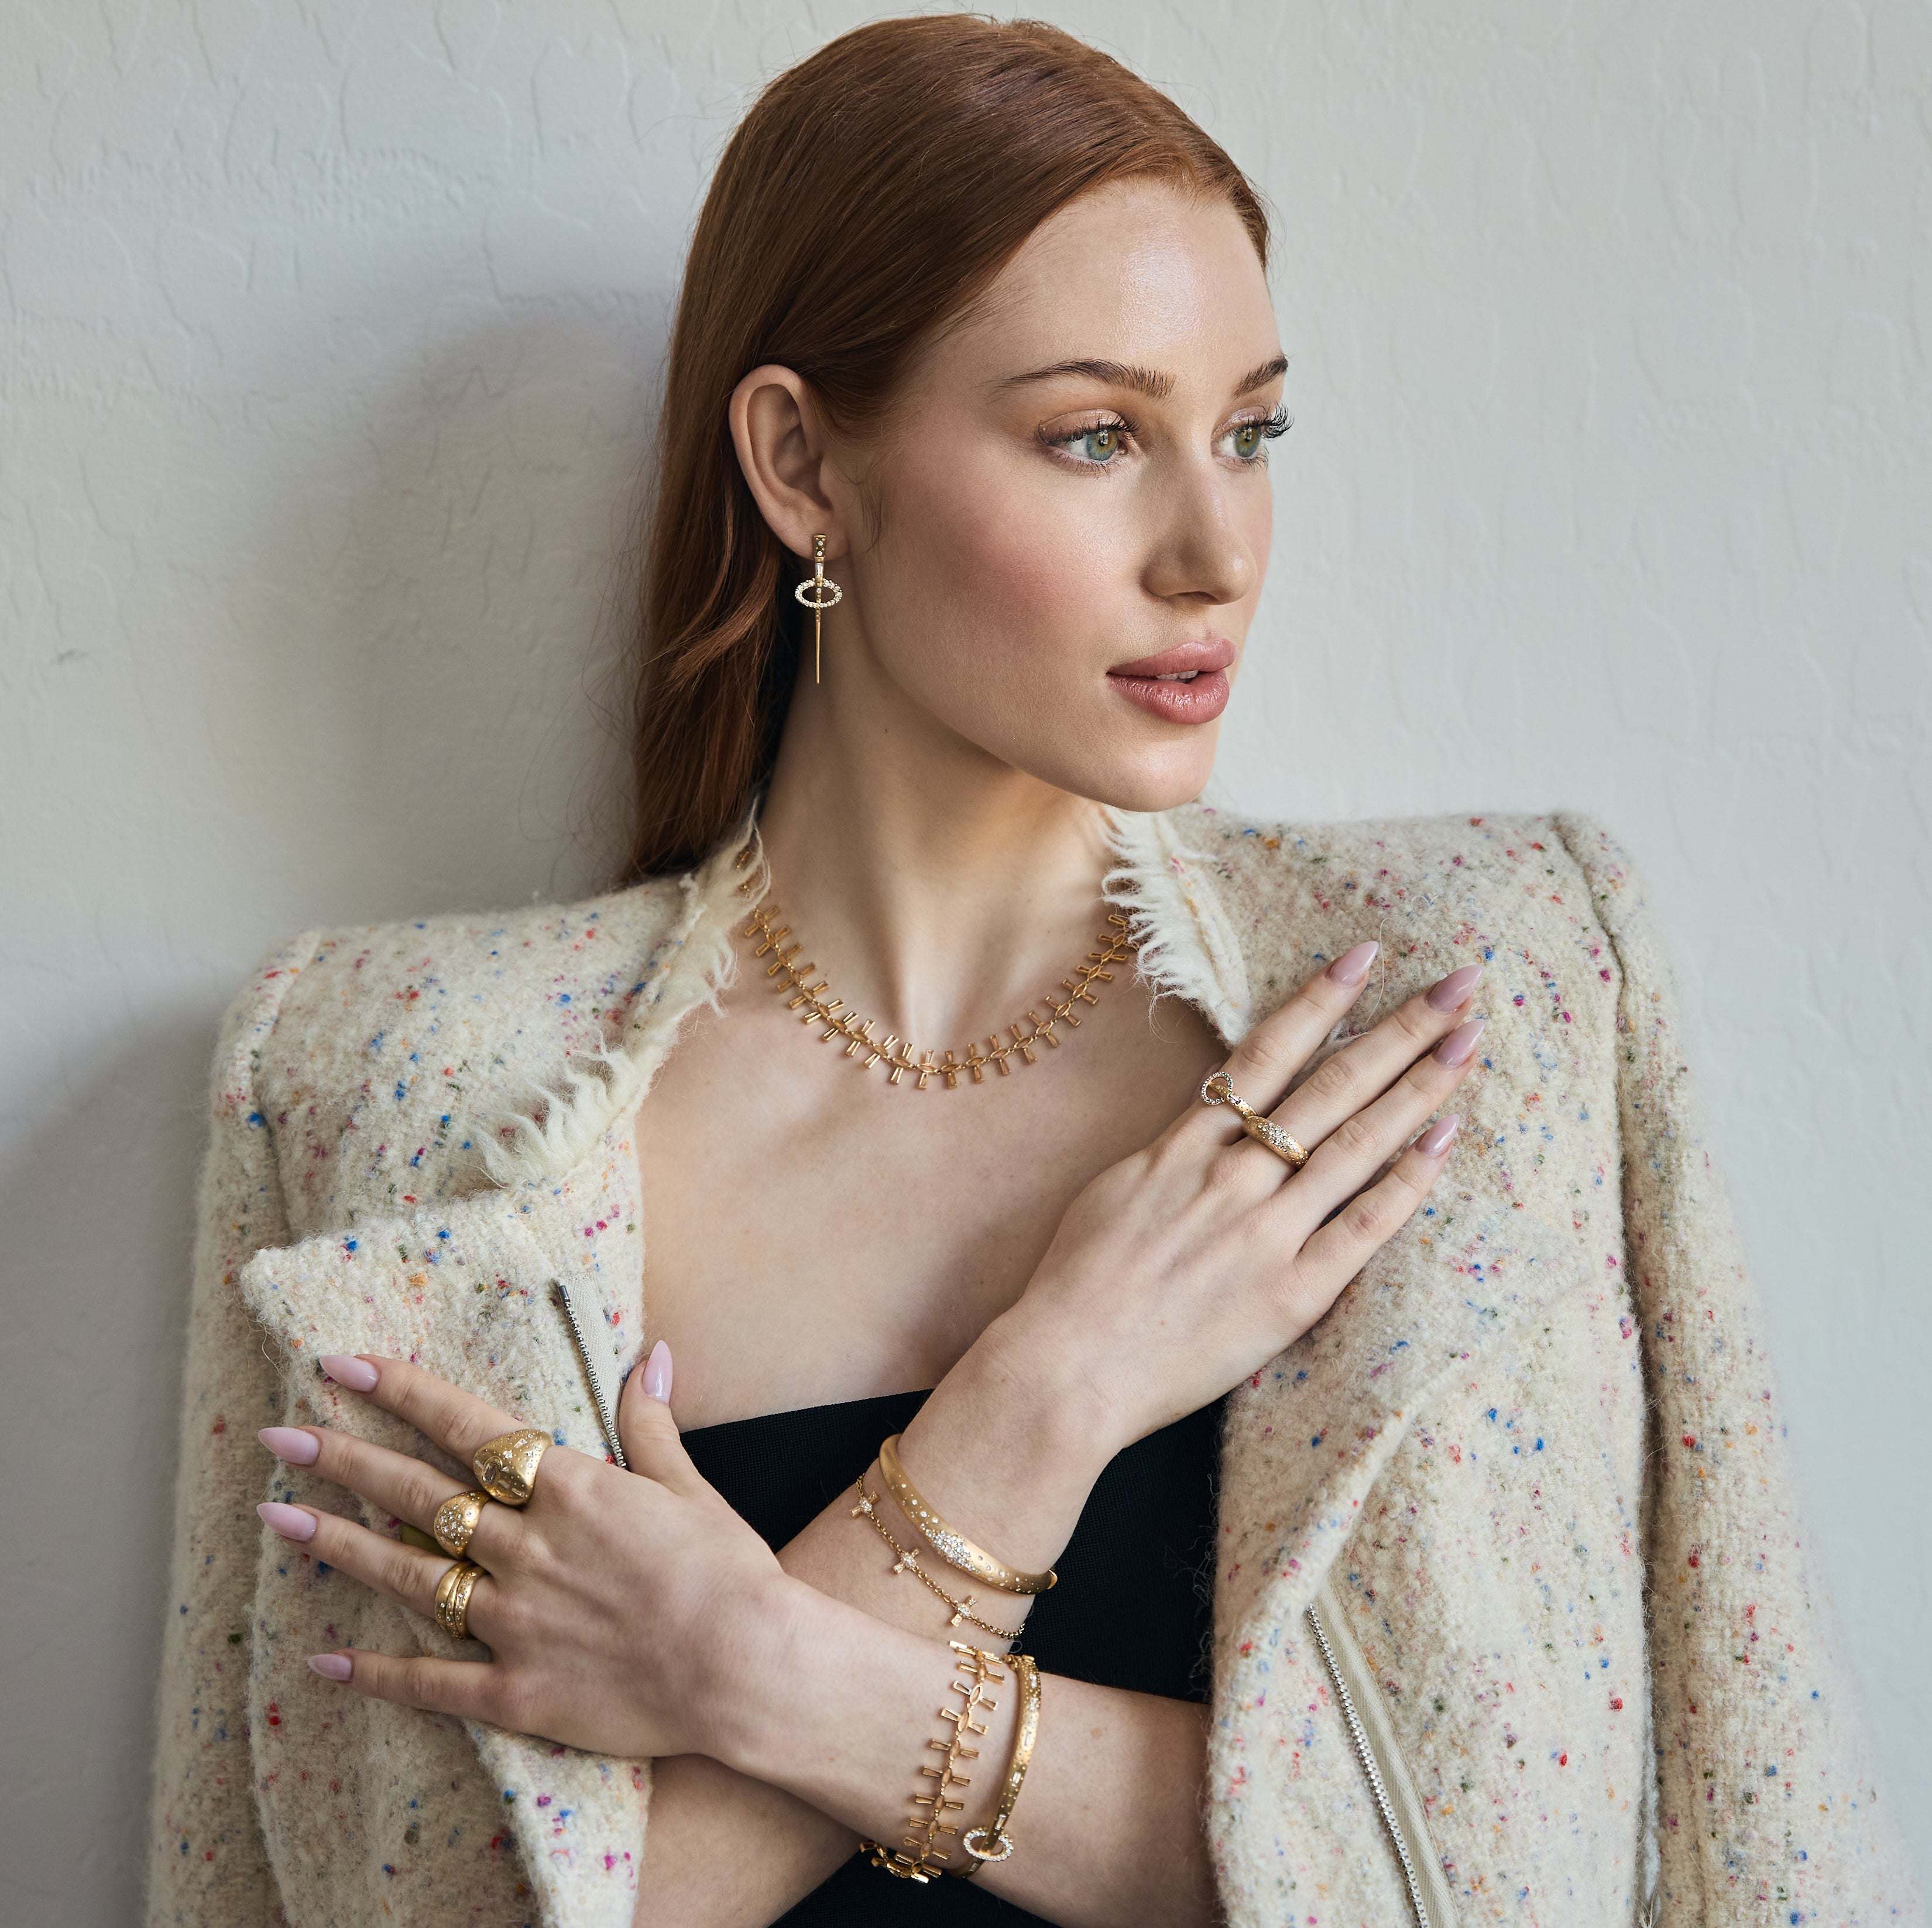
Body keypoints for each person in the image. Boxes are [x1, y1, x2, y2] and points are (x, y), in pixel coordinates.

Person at [145, 18, 1917, 1928]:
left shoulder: (1477, 988)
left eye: (1251, 432)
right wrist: (1047, 1399)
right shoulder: (391, 1080)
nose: (1214, 550)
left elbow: (1548, 1866)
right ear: (803, 463)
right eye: (1096, 437)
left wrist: (761, 1669)